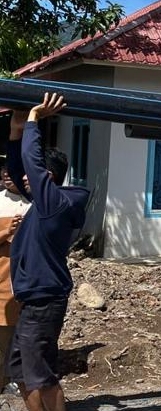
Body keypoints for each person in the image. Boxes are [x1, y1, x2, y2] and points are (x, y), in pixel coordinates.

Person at [5, 94, 88, 411]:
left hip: (44, 299)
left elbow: (29, 163)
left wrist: (34, 119)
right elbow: (18, 167)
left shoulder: (55, 204)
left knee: (42, 373)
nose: (23, 179)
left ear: (48, 177)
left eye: (33, 175)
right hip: (33, 298)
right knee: (21, 369)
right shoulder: (45, 202)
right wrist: (16, 130)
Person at [0, 161, 30, 392]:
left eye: (14, 169)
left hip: (18, 290)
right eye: (4, 169)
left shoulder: (33, 206)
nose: (7, 173)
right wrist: (6, 231)